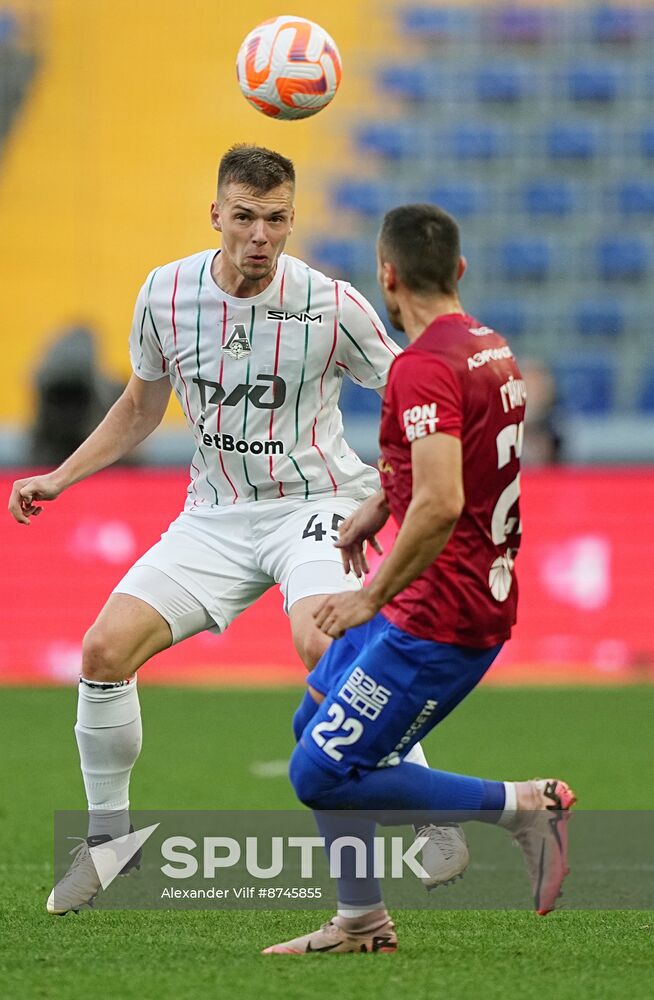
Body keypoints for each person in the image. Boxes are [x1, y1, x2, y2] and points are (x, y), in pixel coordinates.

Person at [7, 146, 467, 915]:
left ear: (293, 218)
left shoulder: (330, 305)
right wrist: (61, 475)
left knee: (324, 642)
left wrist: (393, 489)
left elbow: (411, 390)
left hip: (313, 503)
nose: (260, 234)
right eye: (245, 216)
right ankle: (110, 841)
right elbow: (139, 409)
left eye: (277, 219)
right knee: (103, 650)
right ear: (216, 214)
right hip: (214, 516)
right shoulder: (165, 292)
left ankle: (423, 810)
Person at [263, 204, 576, 956]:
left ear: (387, 275)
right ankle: (362, 922)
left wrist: (367, 594)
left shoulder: (422, 366)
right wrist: (380, 502)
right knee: (312, 726)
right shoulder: (490, 348)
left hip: (437, 614)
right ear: (459, 271)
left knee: (320, 774)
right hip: (440, 596)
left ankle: (525, 808)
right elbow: (452, 464)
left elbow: (442, 500)